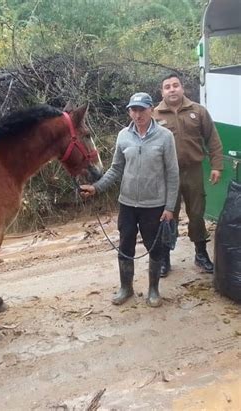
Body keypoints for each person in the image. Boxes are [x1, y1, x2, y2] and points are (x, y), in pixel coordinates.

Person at [81, 92, 179, 307]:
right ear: (129, 112)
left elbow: (173, 173)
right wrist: (96, 188)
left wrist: (169, 207)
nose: (137, 114)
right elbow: (116, 169)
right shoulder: (123, 136)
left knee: (155, 248)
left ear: (150, 110)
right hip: (127, 204)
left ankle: (153, 289)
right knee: (125, 246)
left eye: (141, 109)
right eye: (133, 110)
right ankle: (126, 288)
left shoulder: (164, 137)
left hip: (154, 205)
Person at [154, 73, 223, 276]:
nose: (172, 89)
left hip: (193, 171)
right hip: (167, 175)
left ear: (182, 88)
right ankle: (165, 258)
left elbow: (213, 139)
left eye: (176, 85)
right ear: (162, 92)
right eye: (167, 87)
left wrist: (216, 165)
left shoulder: (198, 111)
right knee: (167, 216)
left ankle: (201, 254)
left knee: (196, 214)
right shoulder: (155, 115)